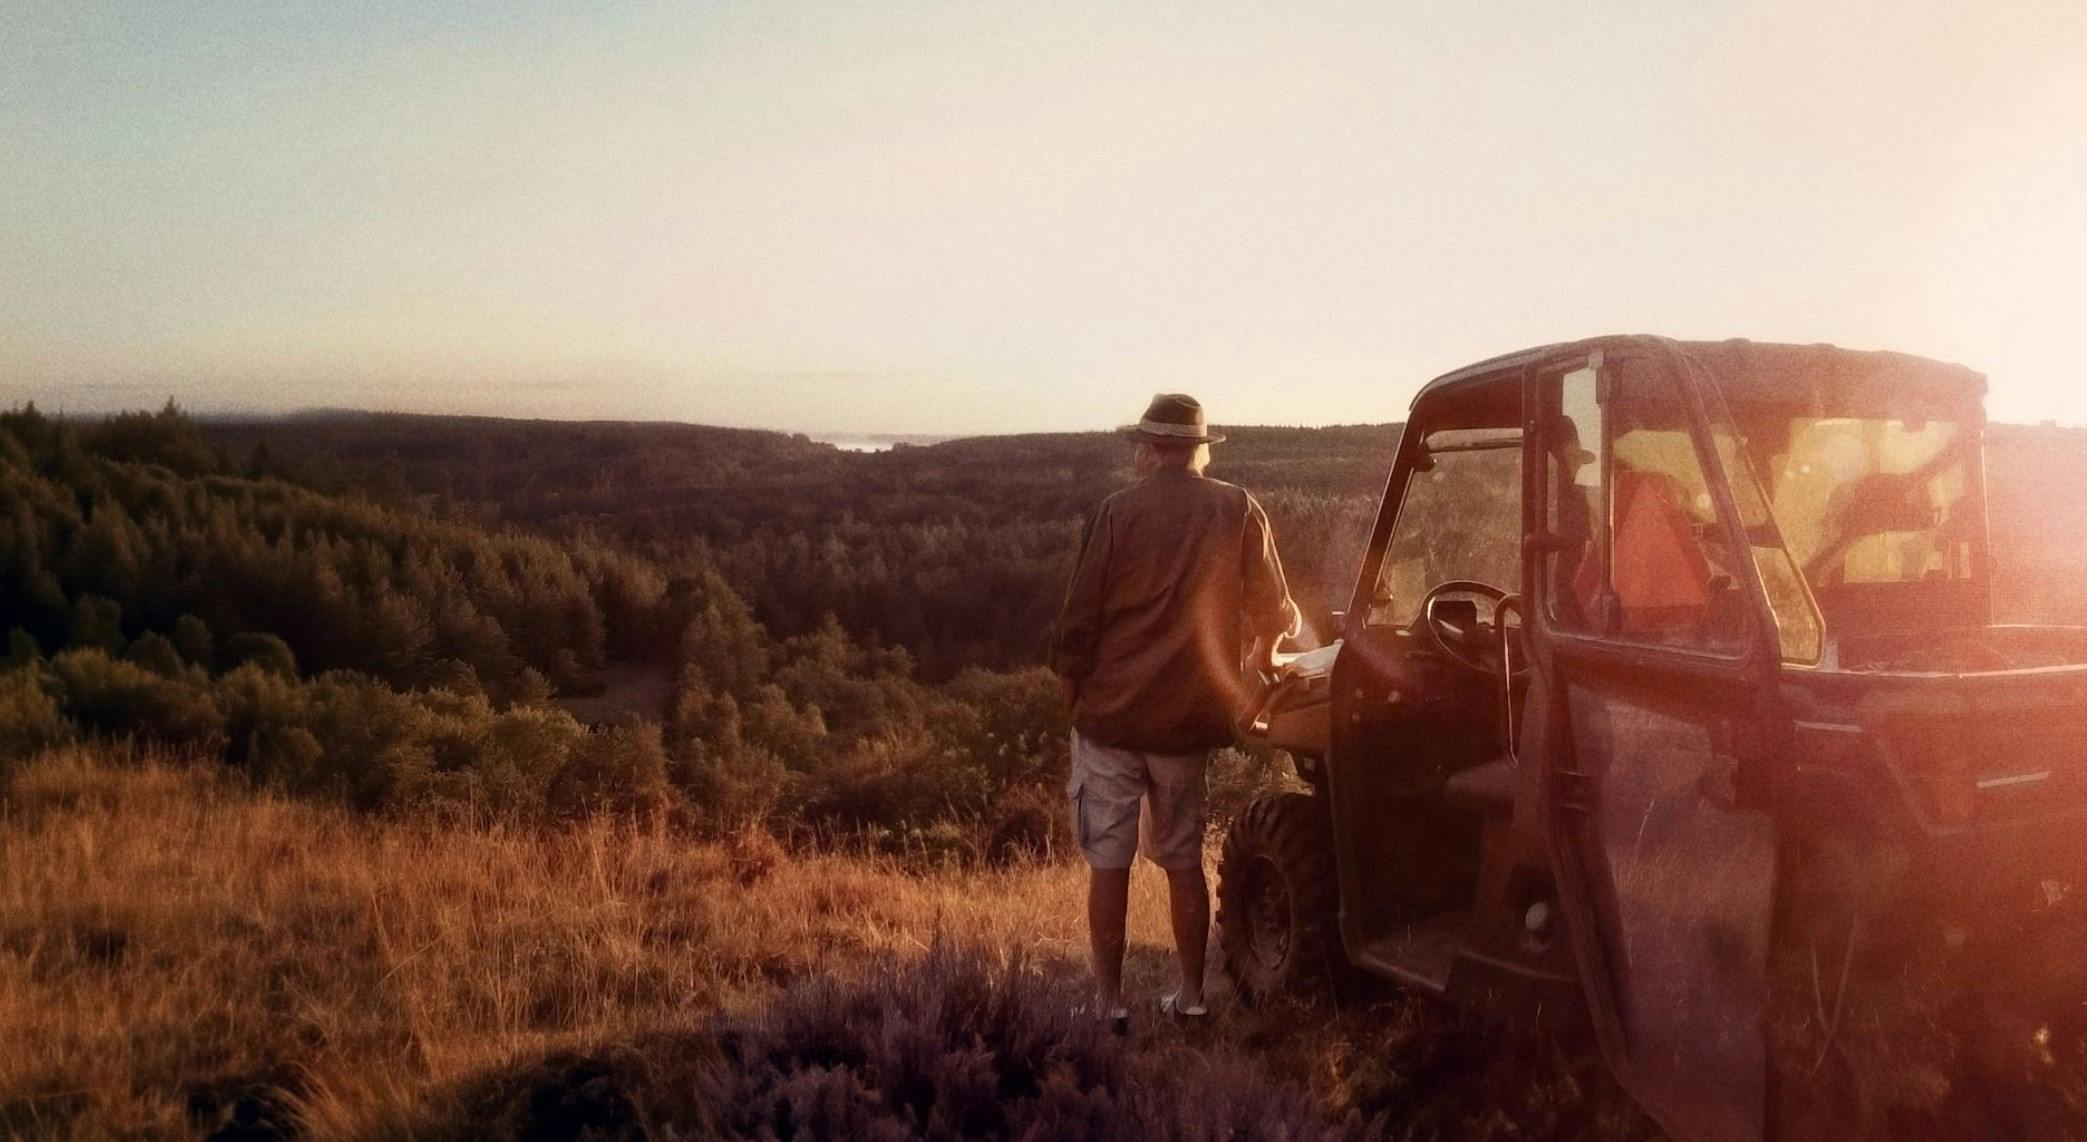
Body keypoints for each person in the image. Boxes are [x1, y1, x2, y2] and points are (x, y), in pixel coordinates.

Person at [1049, 393, 1298, 1032]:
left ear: (1152, 450)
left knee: (1109, 862)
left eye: (1140, 443)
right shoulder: (1237, 507)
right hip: (1185, 723)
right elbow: (1275, 609)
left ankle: (1109, 1004)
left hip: (1111, 718)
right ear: (1199, 448)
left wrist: (1072, 701)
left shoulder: (1115, 513)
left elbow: (1078, 625)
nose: (1136, 453)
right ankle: (1190, 996)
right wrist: (1262, 657)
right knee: (1182, 859)